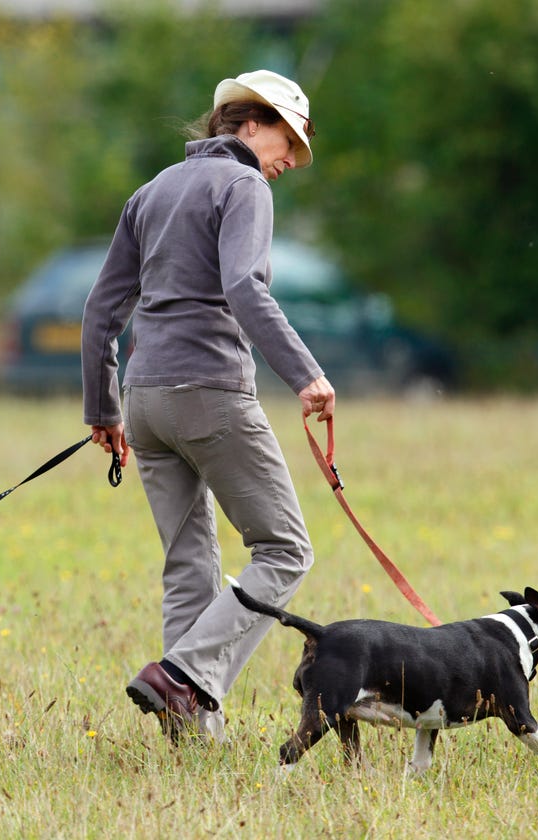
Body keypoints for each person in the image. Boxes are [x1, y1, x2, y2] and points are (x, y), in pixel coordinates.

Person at [81, 70, 335, 742]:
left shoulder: (152, 189)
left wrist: (103, 410)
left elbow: (102, 310)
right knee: (285, 549)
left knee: (189, 564)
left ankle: (192, 736)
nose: (289, 159)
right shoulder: (243, 183)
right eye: (289, 139)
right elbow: (245, 289)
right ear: (250, 122)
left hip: (145, 402)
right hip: (210, 394)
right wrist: (305, 374)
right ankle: (185, 676)